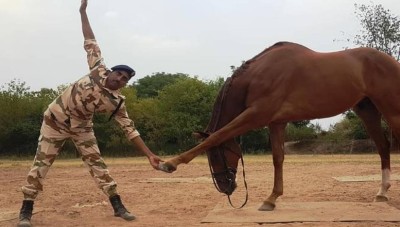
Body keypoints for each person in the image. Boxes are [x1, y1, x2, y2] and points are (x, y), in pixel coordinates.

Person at [17, 0, 163, 226]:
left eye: (125, 79)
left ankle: (117, 205)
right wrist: (83, 11)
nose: (121, 79)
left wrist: (149, 154)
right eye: (120, 74)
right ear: (112, 71)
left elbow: (130, 130)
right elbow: (89, 40)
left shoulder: (116, 103)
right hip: (54, 122)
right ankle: (26, 209)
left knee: (98, 165)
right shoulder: (97, 68)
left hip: (82, 128)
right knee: (41, 164)